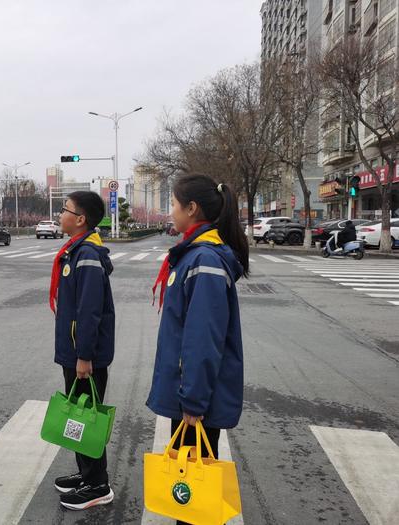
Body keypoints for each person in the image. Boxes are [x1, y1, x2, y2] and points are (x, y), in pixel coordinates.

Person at [148, 174, 248, 525]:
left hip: (195, 398)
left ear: (192, 209)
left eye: (173, 205)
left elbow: (203, 339)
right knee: (189, 493)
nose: (170, 212)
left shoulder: (203, 260)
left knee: (193, 494)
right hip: (190, 391)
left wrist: (193, 400)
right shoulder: (196, 255)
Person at [49, 191, 116, 511]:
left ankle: (98, 484)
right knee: (79, 414)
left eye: (65, 210)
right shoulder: (77, 250)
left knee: (87, 417)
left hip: (83, 354)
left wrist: (84, 356)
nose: (60, 214)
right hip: (76, 352)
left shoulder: (87, 254)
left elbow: (89, 312)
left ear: (81, 219)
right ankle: (87, 473)